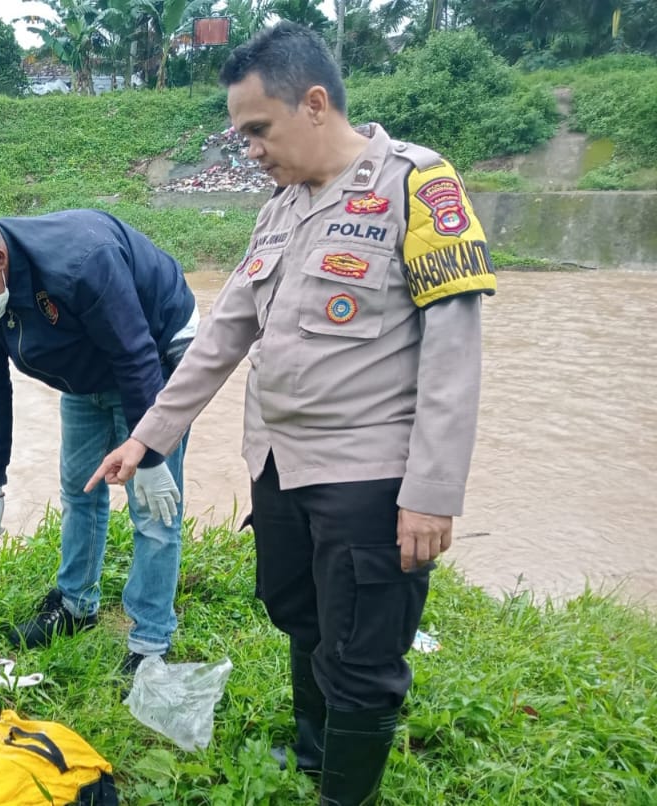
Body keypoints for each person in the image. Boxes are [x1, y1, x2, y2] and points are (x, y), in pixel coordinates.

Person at [88, 22, 495, 805]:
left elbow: (454, 353)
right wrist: (147, 438)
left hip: (369, 478)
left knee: (364, 653)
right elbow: (223, 335)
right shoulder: (281, 208)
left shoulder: (419, 185)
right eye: (241, 135)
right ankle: (315, 759)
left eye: (256, 130)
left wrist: (432, 493)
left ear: (314, 104)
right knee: (300, 617)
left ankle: (346, 793)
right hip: (280, 465)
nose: (249, 151)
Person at [0, 202, 199, 678]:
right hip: (84, 373)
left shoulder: (83, 261)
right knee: (80, 489)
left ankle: (149, 640)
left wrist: (153, 451)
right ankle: (76, 605)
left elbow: (136, 354)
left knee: (153, 509)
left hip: (156, 351)